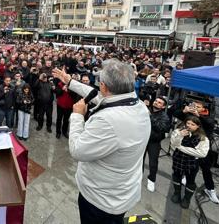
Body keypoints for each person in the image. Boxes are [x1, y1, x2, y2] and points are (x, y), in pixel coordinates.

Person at [53, 59, 151, 224]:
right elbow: (98, 96)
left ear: (104, 86)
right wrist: (70, 82)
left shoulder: (108, 120)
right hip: (121, 192)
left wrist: (77, 116)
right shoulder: (138, 105)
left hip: (101, 201)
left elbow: (77, 150)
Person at [172, 101, 219, 204]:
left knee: (206, 170)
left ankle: (210, 189)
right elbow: (174, 113)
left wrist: (199, 116)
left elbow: (210, 124)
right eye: (194, 106)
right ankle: (181, 185)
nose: (195, 108)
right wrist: (184, 111)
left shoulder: (207, 117)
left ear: (203, 109)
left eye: (198, 107)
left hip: (201, 147)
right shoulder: (189, 115)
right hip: (186, 147)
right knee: (183, 168)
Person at [170, 115, 209, 208]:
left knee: (190, 181)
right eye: (188, 123)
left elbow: (202, 153)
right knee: (176, 176)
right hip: (178, 160)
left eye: (193, 124)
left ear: (198, 126)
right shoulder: (177, 131)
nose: (189, 126)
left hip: (192, 163)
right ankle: (177, 193)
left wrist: (181, 148)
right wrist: (180, 136)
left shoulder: (203, 138)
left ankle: (187, 199)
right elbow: (173, 145)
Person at [143, 96, 171, 192]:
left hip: (154, 142)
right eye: (156, 101)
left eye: (159, 102)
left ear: (163, 107)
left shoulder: (164, 117)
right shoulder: (146, 109)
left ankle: (151, 180)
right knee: (139, 160)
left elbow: (161, 128)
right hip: (142, 139)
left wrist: (149, 116)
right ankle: (138, 176)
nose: (156, 103)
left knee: (153, 163)